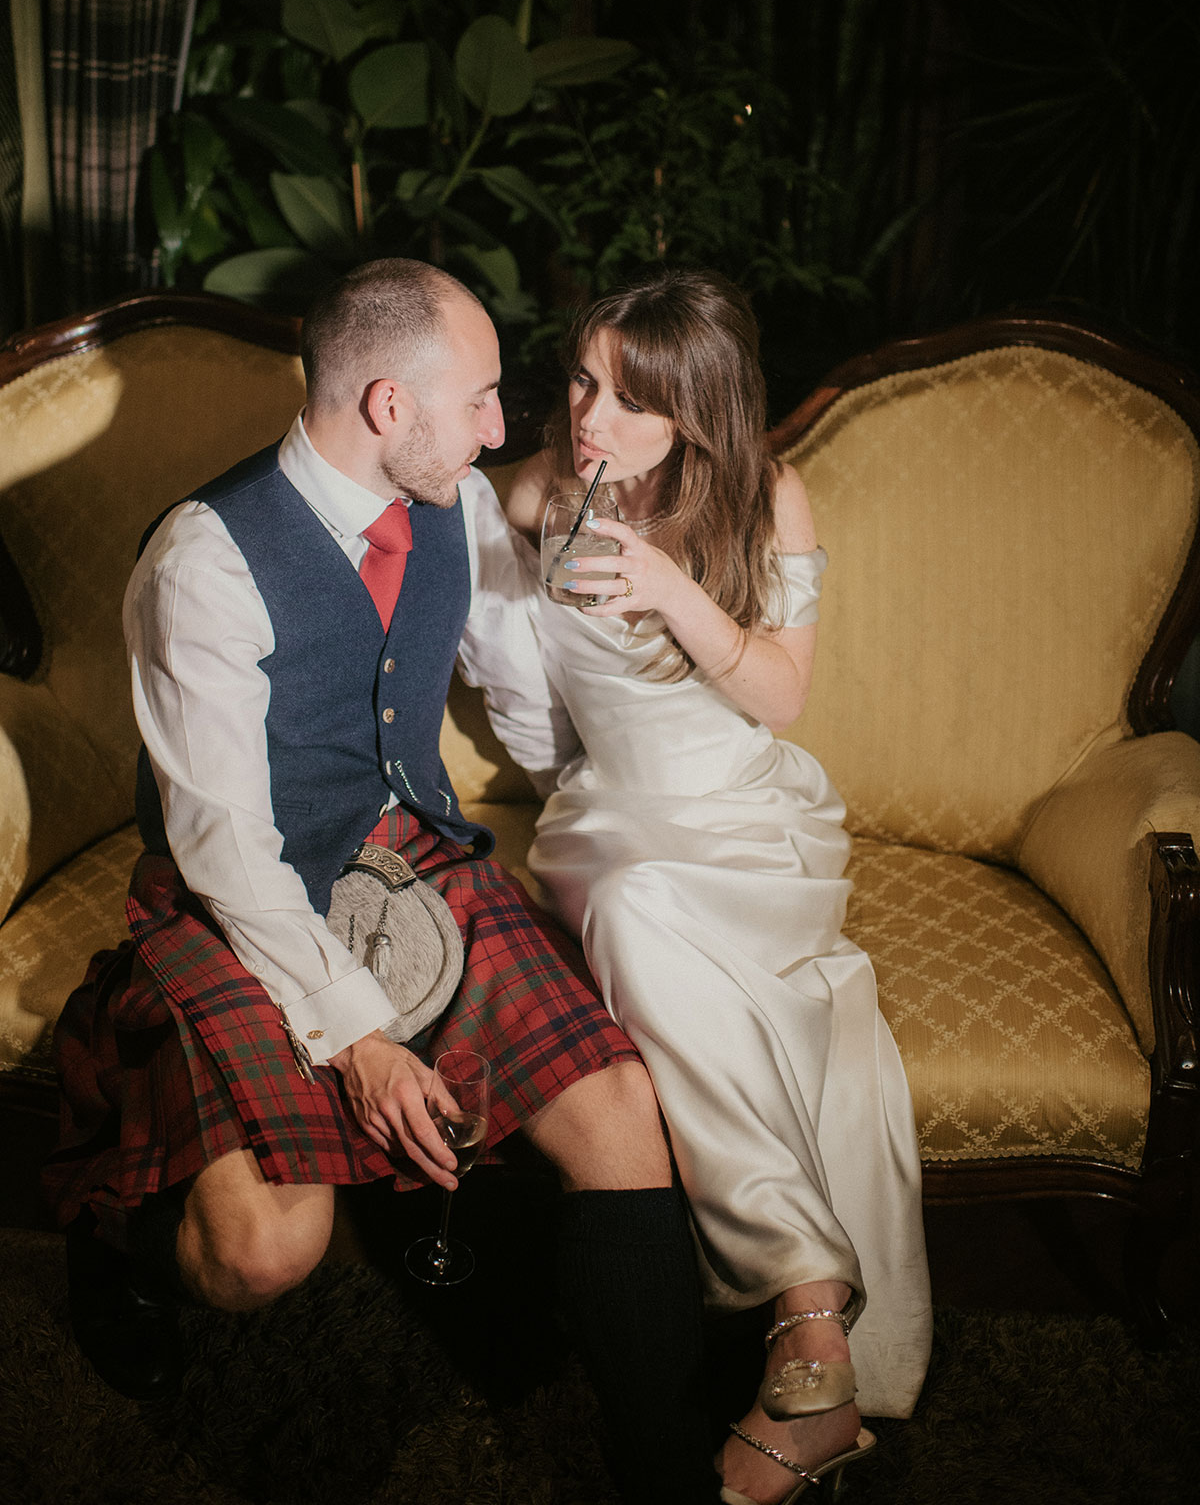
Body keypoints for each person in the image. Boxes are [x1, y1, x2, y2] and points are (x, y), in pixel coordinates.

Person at [43, 257, 721, 1505]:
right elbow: (225, 848)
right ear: (386, 406)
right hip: (243, 885)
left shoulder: (451, 502)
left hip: (408, 850)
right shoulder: (204, 560)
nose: (505, 429)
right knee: (263, 1249)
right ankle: (119, 1245)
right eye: (478, 399)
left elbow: (519, 695)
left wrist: (639, 798)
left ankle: (668, 1473)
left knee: (623, 1112)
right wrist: (358, 1039)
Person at [506, 268, 933, 1505]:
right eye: (583, 381)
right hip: (608, 818)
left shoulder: (768, 499)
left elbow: (782, 697)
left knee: (657, 915)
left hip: (749, 823)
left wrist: (671, 588)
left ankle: (805, 1329)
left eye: (628, 400)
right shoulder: (546, 489)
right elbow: (423, 527)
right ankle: (811, 1330)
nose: (590, 415)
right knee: (635, 902)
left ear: (694, 413)